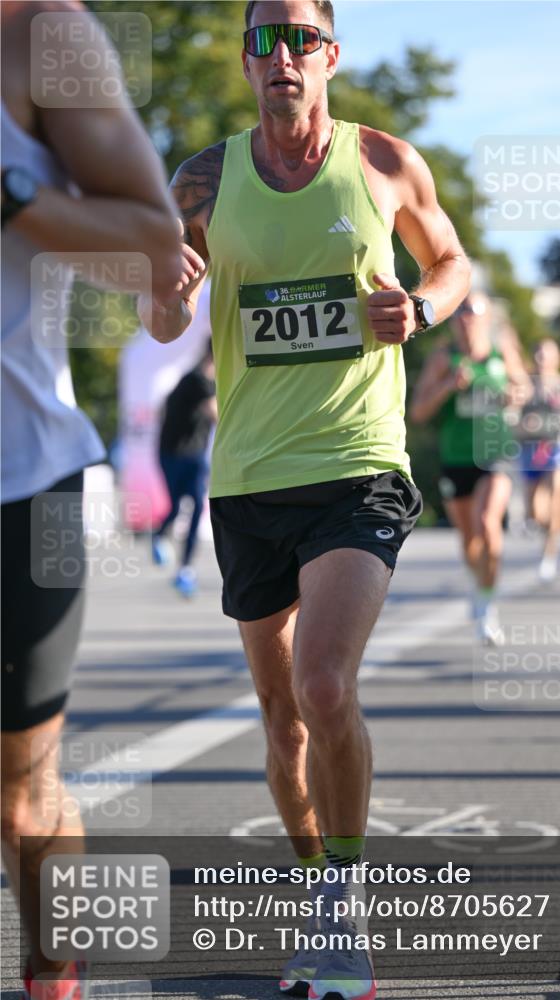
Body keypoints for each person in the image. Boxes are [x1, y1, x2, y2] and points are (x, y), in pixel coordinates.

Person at [138, 2, 471, 996]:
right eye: (263, 40)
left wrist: (422, 306)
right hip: (248, 478)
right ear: (247, 62)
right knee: (282, 719)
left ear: (330, 56)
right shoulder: (202, 180)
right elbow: (162, 324)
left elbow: (452, 262)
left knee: (324, 685)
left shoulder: (384, 162)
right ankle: (315, 883)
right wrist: (167, 291)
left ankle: (342, 909)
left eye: (300, 39)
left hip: (358, 464)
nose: (281, 56)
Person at [1, 3, 182, 998]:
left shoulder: (41, 33)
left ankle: (53, 969)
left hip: (23, 481)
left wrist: (10, 193)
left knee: (22, 797)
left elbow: (152, 246)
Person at [409, 291, 528, 645]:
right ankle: (480, 584)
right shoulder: (444, 357)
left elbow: (524, 387)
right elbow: (418, 412)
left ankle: (488, 605)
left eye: (473, 310)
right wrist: (448, 385)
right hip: (456, 457)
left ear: (487, 318)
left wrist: (516, 395)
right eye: (460, 311)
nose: (465, 317)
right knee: (469, 538)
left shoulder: (500, 352)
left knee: (487, 522)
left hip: (495, 453)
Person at [151, 339, 217, 597]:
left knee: (197, 506)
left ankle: (185, 568)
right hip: (175, 454)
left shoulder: (204, 381)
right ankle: (159, 536)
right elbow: (216, 414)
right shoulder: (197, 380)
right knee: (177, 506)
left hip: (194, 454)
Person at [520, 338, 560, 582]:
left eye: (546, 354)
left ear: (557, 358)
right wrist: (526, 424)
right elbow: (510, 419)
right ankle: (542, 528)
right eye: (538, 352)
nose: (541, 358)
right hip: (531, 450)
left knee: (557, 496)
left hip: (558, 447)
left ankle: (549, 557)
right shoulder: (526, 384)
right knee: (536, 511)